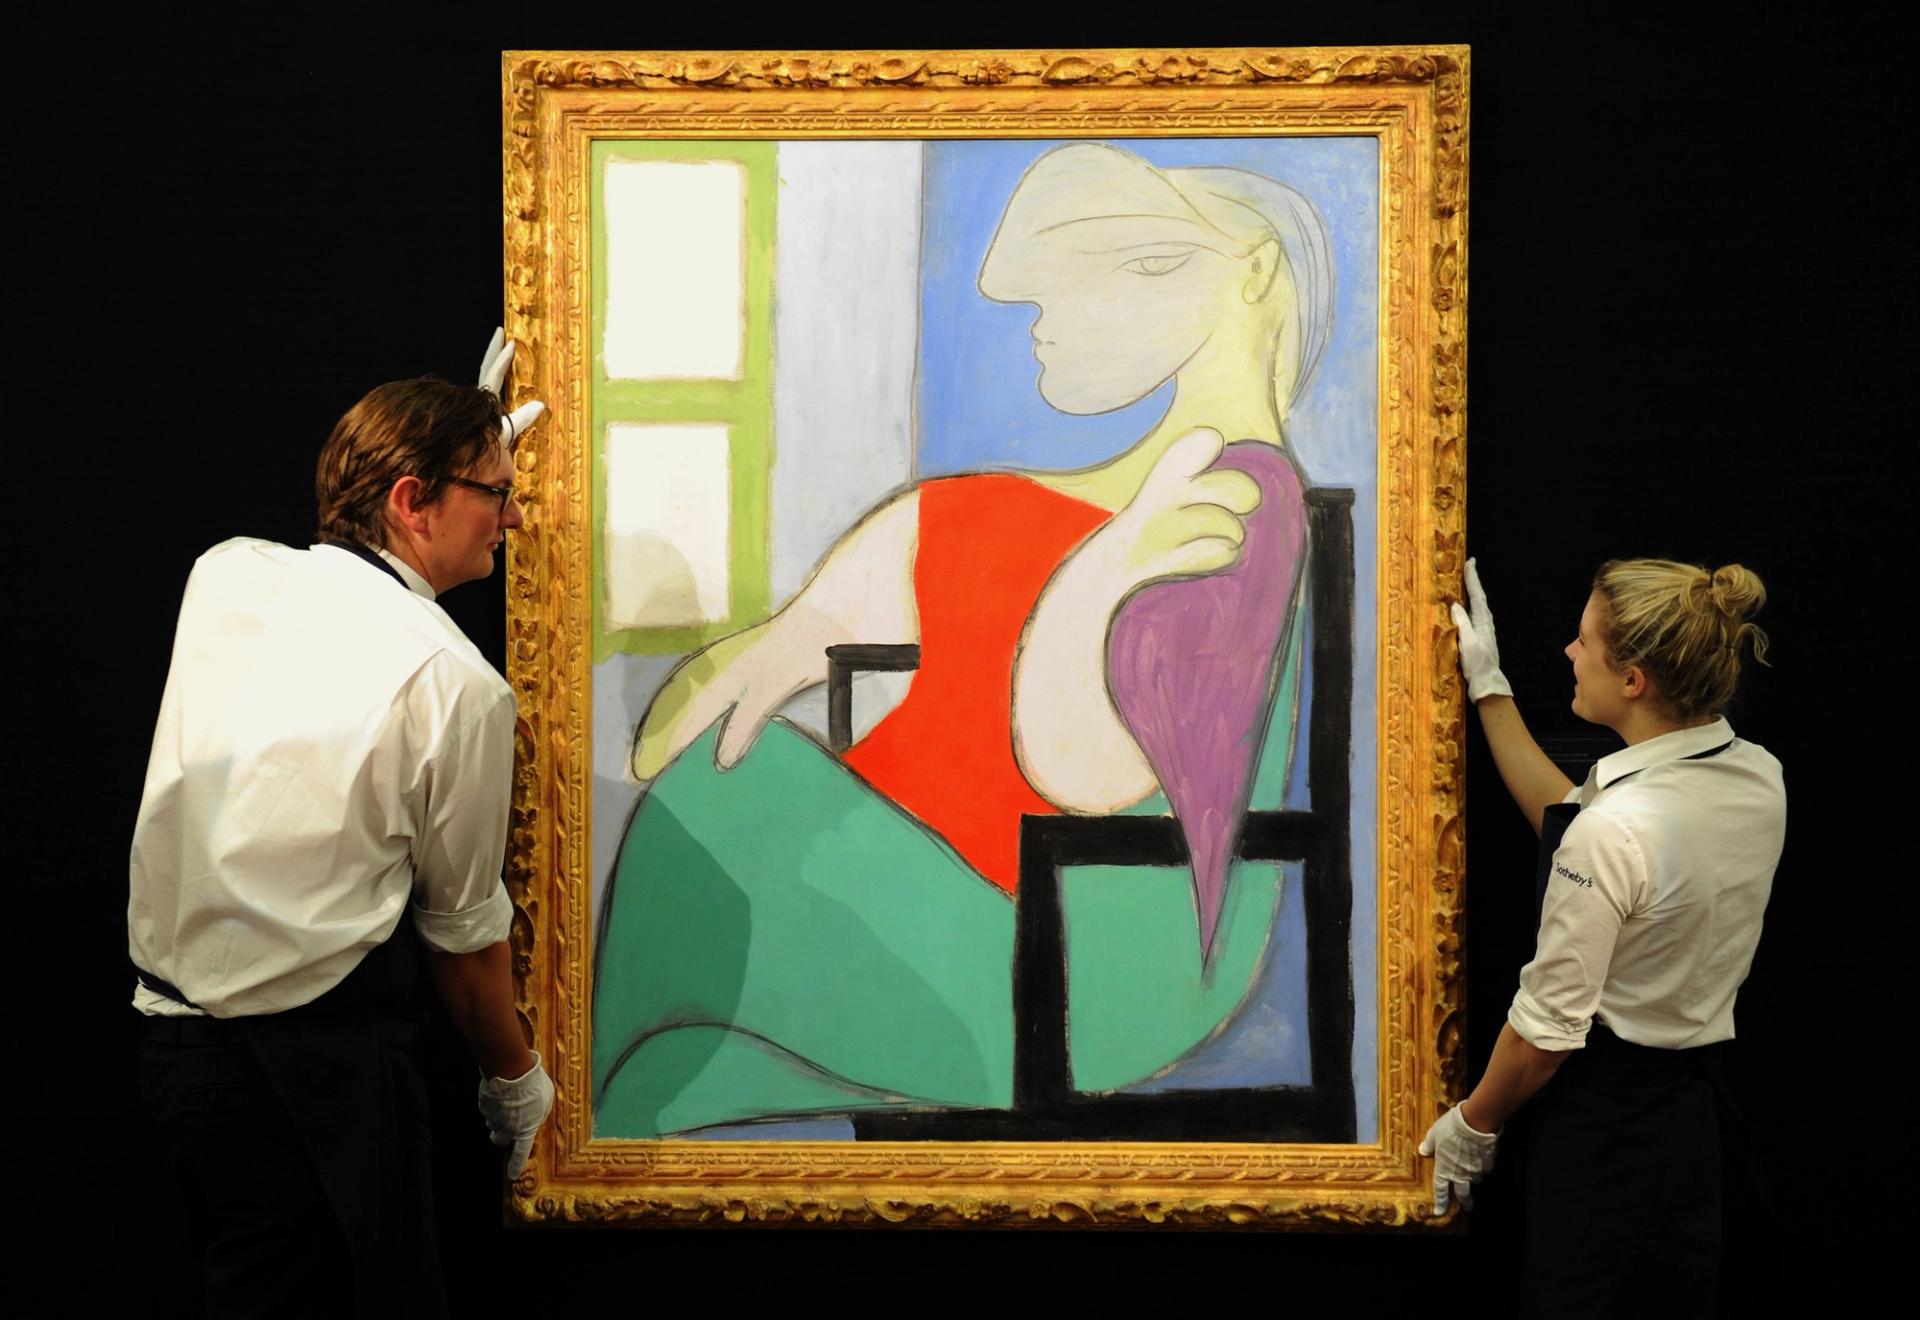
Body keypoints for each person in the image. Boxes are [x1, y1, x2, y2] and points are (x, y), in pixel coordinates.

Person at [593, 143, 1340, 1136]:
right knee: (724, 796)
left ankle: (605, 1144)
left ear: (1251, 278)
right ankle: (614, 1143)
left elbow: (1084, 773)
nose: (1046, 325)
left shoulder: (1230, 504)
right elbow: (667, 740)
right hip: (946, 892)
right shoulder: (1000, 508)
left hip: (1075, 949)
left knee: (731, 802)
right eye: (1040, 300)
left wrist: (1093, 582)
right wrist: (800, 633)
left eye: (1129, 270)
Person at [129, 331, 555, 1315]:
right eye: (496, 494)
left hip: (172, 1057)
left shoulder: (224, 574)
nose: (514, 516)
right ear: (412, 500)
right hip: (316, 1076)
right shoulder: (457, 685)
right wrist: (514, 1081)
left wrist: (460, 439)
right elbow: (463, 941)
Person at [1424, 557, 1784, 1312]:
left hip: (1606, 1135)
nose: (1569, 651)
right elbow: (1577, 825)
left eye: (1584, 640)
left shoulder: (1618, 829)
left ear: (1634, 682)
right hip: (1695, 1123)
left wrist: (1473, 1126)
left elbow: (1544, 1036)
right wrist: (1490, 688)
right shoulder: (1756, 774)